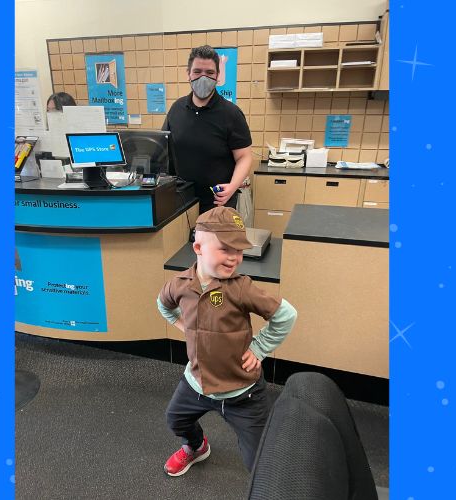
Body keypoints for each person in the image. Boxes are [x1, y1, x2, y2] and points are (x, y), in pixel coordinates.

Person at [157, 207, 297, 476]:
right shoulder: (181, 284)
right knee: (175, 420)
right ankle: (196, 447)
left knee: (258, 461)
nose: (235, 258)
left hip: (242, 392)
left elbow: (286, 315)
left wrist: (259, 347)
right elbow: (163, 305)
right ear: (198, 247)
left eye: (239, 250)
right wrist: (184, 326)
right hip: (196, 383)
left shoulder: (240, 287)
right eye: (225, 249)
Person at [162, 46, 253, 214]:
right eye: (197, 71)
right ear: (188, 73)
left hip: (218, 202)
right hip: (182, 201)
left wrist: (232, 187)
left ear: (218, 76)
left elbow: (244, 156)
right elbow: (163, 150)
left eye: (210, 73)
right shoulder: (176, 109)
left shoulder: (231, 113)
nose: (203, 77)